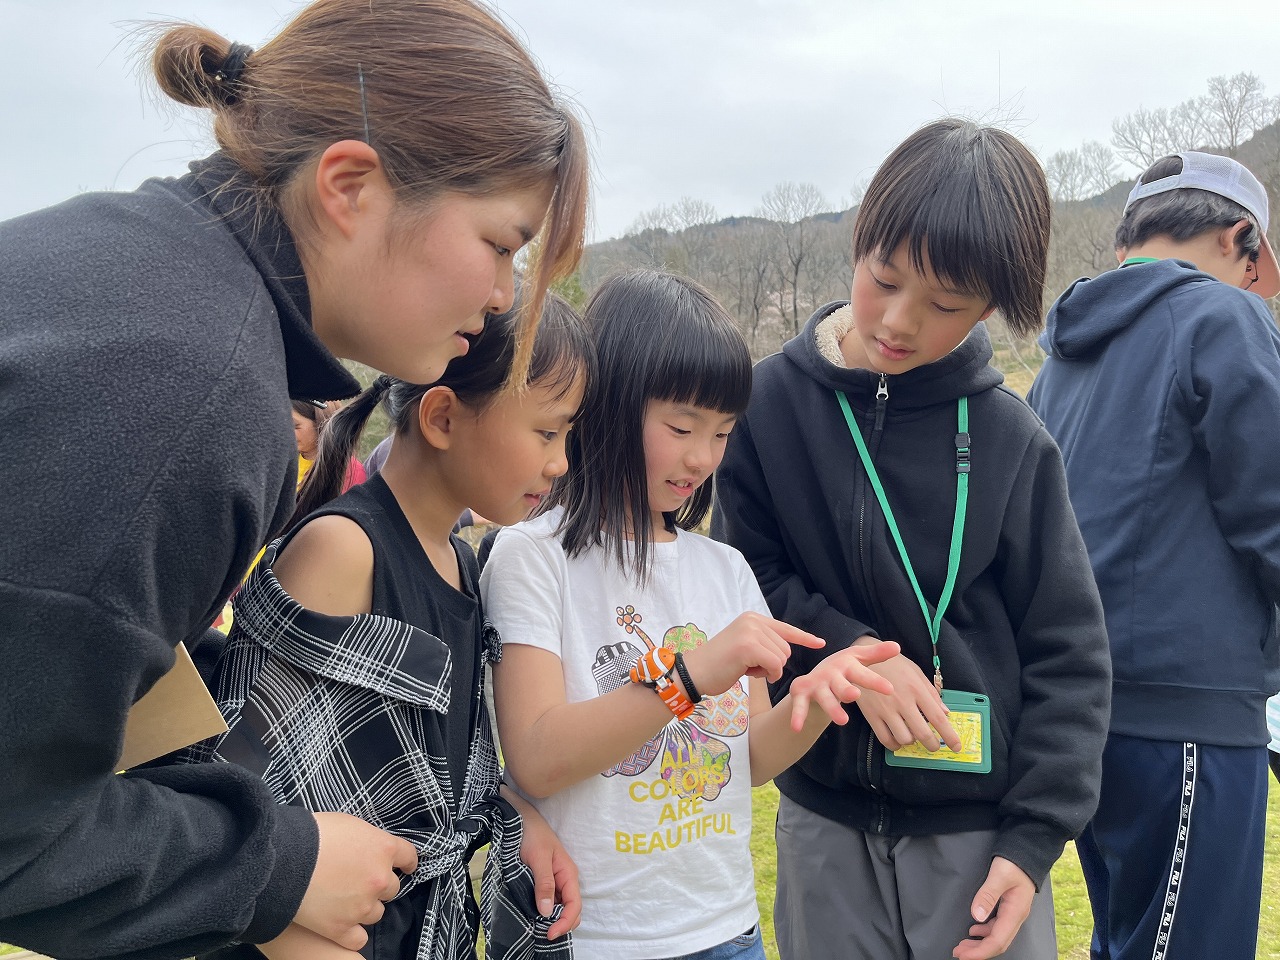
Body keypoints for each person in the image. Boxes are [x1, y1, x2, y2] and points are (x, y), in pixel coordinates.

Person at [0, 1, 588, 956]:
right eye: (501, 245)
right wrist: (282, 866)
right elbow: (17, 826)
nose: (500, 297)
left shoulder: (144, 274)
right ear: (349, 187)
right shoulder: (192, 388)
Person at [714, 119, 1112, 960]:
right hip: (822, 819)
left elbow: (1069, 649)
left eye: (945, 306)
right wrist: (853, 655)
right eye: (883, 280)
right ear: (858, 243)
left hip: (977, 835)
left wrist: (1033, 840)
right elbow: (744, 583)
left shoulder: (1010, 437)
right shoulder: (766, 404)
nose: (899, 321)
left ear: (990, 306)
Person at [480, 269, 901, 960]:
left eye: (723, 433)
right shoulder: (532, 557)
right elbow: (537, 760)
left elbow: (750, 759)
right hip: (592, 939)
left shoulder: (724, 569)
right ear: (609, 406)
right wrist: (691, 675)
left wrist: (817, 700)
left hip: (724, 930)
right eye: (681, 427)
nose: (702, 458)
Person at [188, 295, 592, 960]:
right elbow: (248, 810)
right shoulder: (344, 551)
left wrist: (516, 814)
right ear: (442, 418)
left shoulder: (461, 563)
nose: (561, 463)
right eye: (547, 433)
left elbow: (440, 766)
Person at [1027, 151, 1280, 960]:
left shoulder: (1059, 361)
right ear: (1237, 239)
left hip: (1080, 712)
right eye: (1254, 270)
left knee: (1126, 941)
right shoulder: (1222, 316)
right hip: (1188, 713)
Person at [293, 400, 367, 490]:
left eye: (294, 425)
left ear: (321, 424)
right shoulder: (286, 458)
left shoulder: (347, 471)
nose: (285, 431)